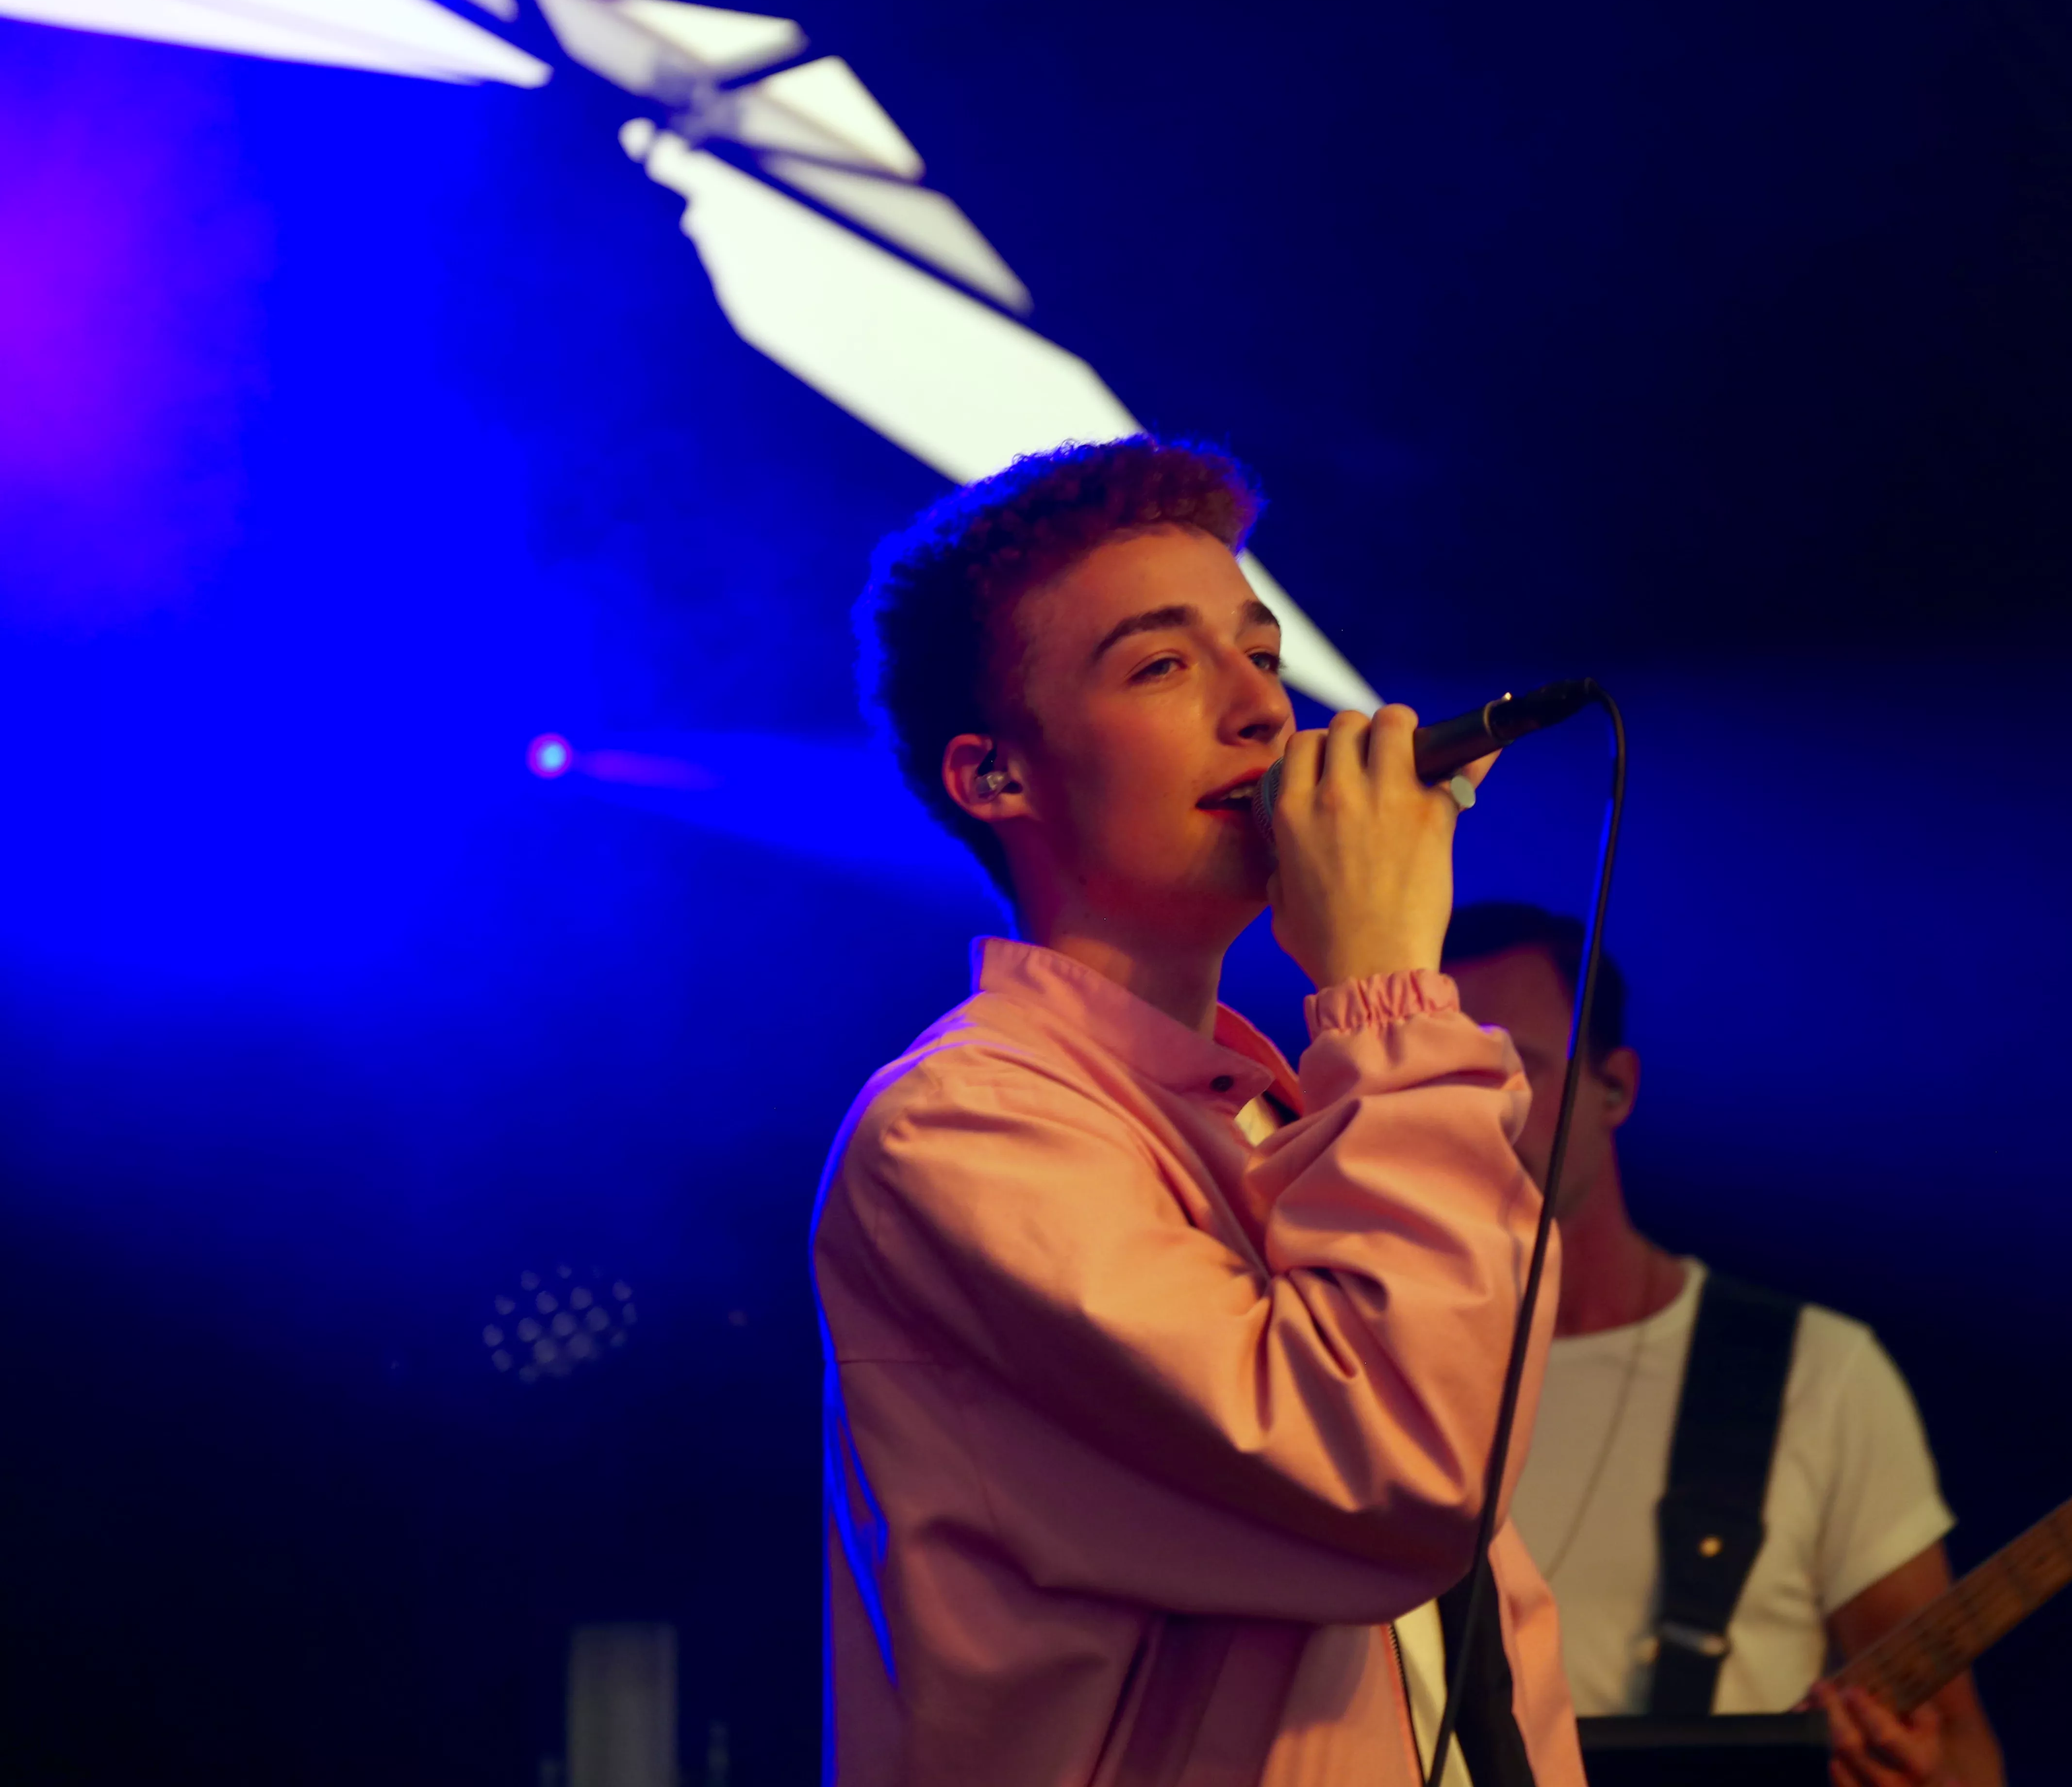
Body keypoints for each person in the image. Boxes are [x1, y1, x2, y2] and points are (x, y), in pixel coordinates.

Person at [811, 437, 1582, 1785]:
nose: (1264, 712)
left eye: (1263, 654)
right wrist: (1385, 990)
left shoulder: (1290, 1108)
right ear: (996, 778)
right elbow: (1409, 1475)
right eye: (1164, 666)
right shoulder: (961, 1129)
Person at [1442, 904, 2006, 1787]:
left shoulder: (1814, 1374)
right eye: (1434, 1079)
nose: (1469, 1114)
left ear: (1616, 1087)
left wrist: (1912, 1770)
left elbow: (1963, 1752)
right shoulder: (1348, 1368)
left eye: (1512, 1067)